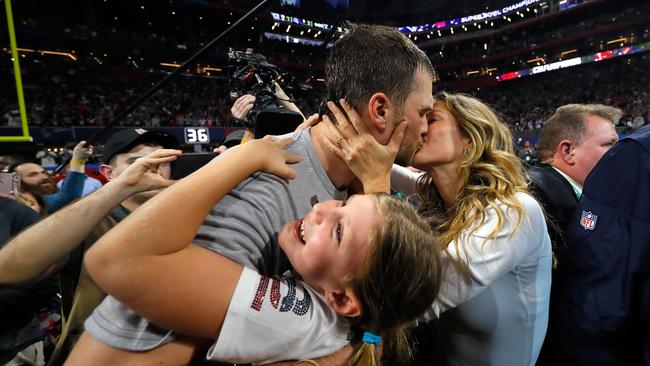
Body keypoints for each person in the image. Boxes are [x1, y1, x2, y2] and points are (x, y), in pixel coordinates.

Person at [68, 24, 436, 365]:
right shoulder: (266, 190)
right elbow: (157, 325)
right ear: (381, 109)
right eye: (424, 113)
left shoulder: (340, 181)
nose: (425, 128)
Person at [83, 137, 442, 365]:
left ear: (343, 300)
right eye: (342, 205)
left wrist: (241, 158)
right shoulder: (359, 328)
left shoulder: (298, 316)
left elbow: (112, 260)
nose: (321, 209)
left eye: (337, 230)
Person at [322, 92, 552, 365]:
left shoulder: (514, 212)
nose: (420, 128)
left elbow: (415, 296)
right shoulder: (439, 195)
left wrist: (375, 183)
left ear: (470, 139)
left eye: (431, 119)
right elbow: (379, 163)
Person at [0, 128, 180, 365]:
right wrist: (121, 187)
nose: (154, 167)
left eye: (163, 160)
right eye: (136, 161)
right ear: (108, 172)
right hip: (101, 354)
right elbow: (9, 269)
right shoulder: (89, 224)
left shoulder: (186, 217)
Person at [548, 124, 650, 364]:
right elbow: (597, 308)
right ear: (567, 151)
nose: (611, 151)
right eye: (607, 144)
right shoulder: (636, 158)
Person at [528, 103, 620, 251]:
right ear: (568, 151)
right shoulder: (536, 199)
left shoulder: (584, 190)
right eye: (609, 145)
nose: (619, 153)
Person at [7, 141, 92, 214]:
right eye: (33, 175)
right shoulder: (19, 205)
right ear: (18, 184)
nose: (44, 177)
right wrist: (78, 159)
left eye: (44, 172)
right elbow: (68, 195)